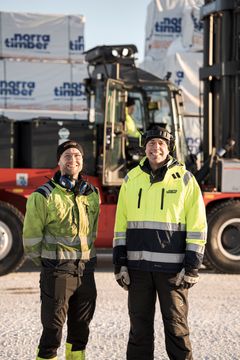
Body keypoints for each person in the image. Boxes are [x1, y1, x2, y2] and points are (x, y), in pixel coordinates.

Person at [113, 126, 207, 360]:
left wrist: (192, 266)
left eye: (161, 144)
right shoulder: (131, 179)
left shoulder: (185, 180)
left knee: (176, 329)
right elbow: (120, 226)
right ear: (145, 148)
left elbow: (197, 226)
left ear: (169, 148)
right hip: (138, 270)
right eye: (151, 143)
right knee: (139, 330)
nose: (156, 148)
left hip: (173, 272)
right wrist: (120, 264)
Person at [23, 140, 100, 360]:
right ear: (58, 161)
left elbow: (92, 231)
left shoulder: (92, 193)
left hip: (85, 271)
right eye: (67, 155)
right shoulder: (43, 195)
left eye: (77, 156)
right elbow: (31, 236)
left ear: (82, 161)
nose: (72, 160)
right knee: (52, 330)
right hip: (57, 271)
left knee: (80, 329)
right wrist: (48, 263)